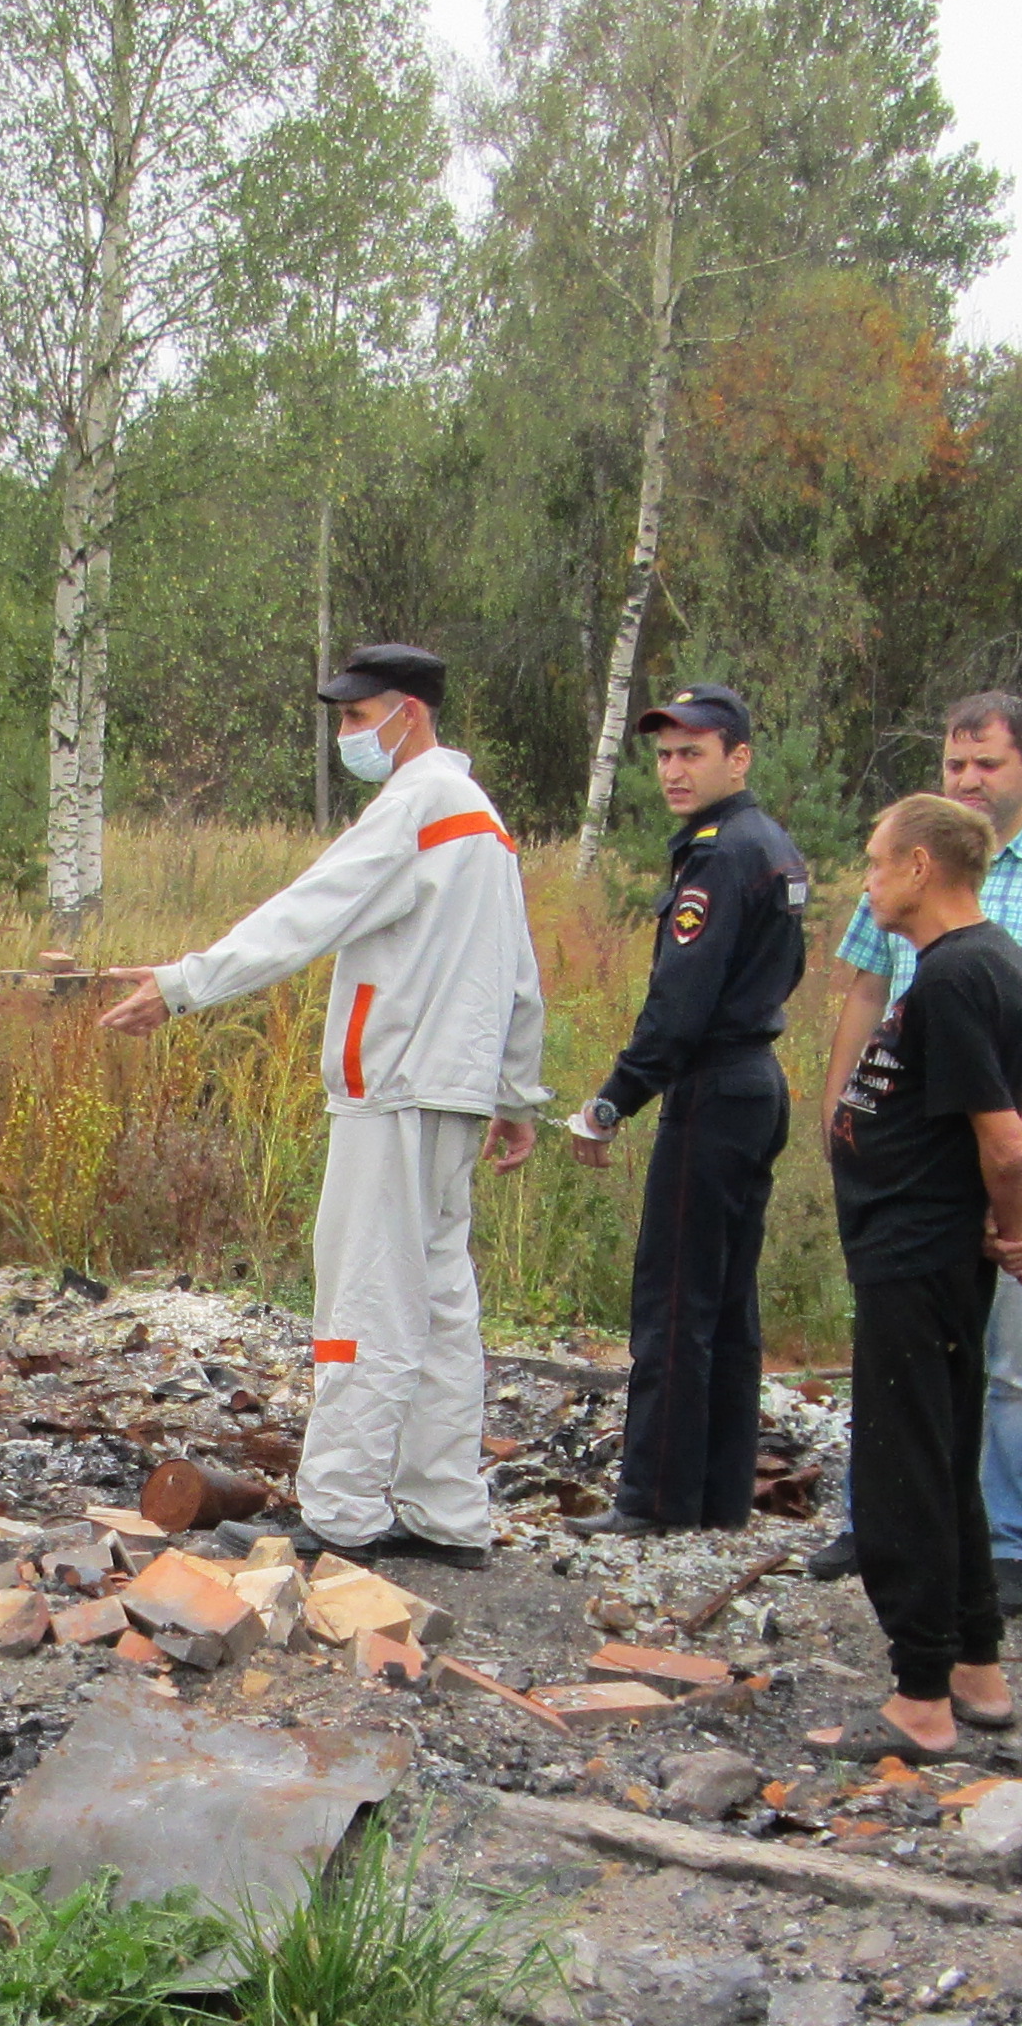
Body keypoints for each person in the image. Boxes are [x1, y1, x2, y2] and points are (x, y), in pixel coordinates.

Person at [98, 641, 545, 1566]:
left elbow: (307, 912)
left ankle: (341, 1514)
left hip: (394, 1089)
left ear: (408, 714)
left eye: (355, 715)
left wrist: (183, 985)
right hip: (447, 1090)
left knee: (366, 1302)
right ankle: (446, 1514)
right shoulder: (485, 821)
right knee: (440, 1306)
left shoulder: (418, 806)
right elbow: (520, 969)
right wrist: (512, 1087)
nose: (346, 733)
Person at [807, 694, 1022, 1619]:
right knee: (900, 1352)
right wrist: (842, 1106)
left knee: (1012, 1351)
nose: (967, 779)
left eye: (986, 764)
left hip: (1000, 1148)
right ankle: (878, 1521)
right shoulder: (906, 858)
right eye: (956, 764)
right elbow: (869, 983)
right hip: (914, 1139)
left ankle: (1005, 1544)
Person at [826, 792, 1022, 1758]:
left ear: (922, 866)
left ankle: (919, 1699)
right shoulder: (994, 962)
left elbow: (1011, 1139)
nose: (869, 880)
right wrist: (997, 1223)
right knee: (946, 1444)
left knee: (901, 1465)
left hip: (917, 1253)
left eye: (879, 862)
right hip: (929, 1246)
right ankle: (977, 1666)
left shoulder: (963, 975)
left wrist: (1006, 1228)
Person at [564, 682, 806, 1534]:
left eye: (692, 753)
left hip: (713, 1086)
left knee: (674, 1301)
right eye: (664, 754)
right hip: (753, 1084)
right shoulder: (768, 844)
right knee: (727, 1304)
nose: (673, 769)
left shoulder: (719, 854)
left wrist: (610, 1103)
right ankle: (716, 1495)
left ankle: (655, 1500)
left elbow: (679, 1006)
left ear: (737, 758)